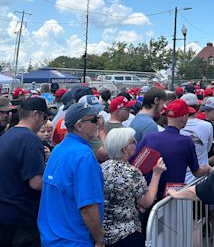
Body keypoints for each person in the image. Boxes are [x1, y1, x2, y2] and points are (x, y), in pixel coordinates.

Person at [38, 99, 105, 246]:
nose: (99, 123)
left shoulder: (58, 149)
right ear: (79, 125)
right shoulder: (83, 155)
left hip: (52, 238)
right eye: (94, 119)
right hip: (74, 239)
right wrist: (99, 240)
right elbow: (88, 206)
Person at [132, 99, 211, 199]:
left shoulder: (150, 137)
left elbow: (134, 163)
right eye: (187, 115)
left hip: (149, 196)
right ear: (183, 118)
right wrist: (207, 169)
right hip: (171, 198)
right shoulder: (186, 142)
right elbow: (197, 172)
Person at [102, 128, 167, 246]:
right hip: (127, 234)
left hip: (104, 234)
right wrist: (156, 175)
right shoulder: (131, 172)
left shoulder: (101, 168)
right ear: (124, 149)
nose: (136, 144)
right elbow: (146, 202)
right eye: (132, 142)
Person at [0, 97, 49, 247]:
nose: (45, 122)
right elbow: (36, 183)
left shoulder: (6, 136)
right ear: (36, 114)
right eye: (45, 117)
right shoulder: (30, 140)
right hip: (22, 218)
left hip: (4, 214)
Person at [180, 93, 213, 184]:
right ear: (197, 108)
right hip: (201, 177)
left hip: (183, 177)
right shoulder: (207, 125)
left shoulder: (174, 126)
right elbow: (207, 149)